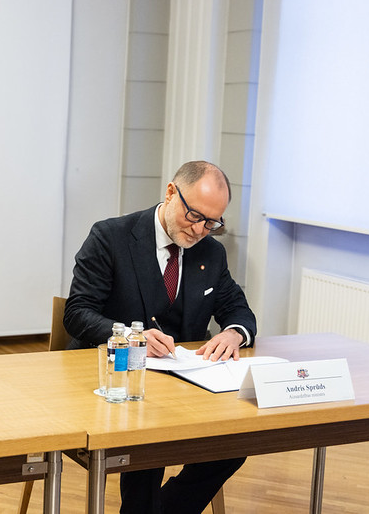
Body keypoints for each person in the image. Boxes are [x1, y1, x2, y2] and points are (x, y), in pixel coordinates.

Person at [64, 160, 256, 514]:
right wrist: (127, 336)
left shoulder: (211, 252)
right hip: (115, 379)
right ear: (170, 193)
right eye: (194, 215)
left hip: (183, 383)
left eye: (212, 223)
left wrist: (233, 333)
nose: (199, 230)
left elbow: (238, 309)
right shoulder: (111, 237)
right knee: (147, 446)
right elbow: (77, 313)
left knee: (234, 444)